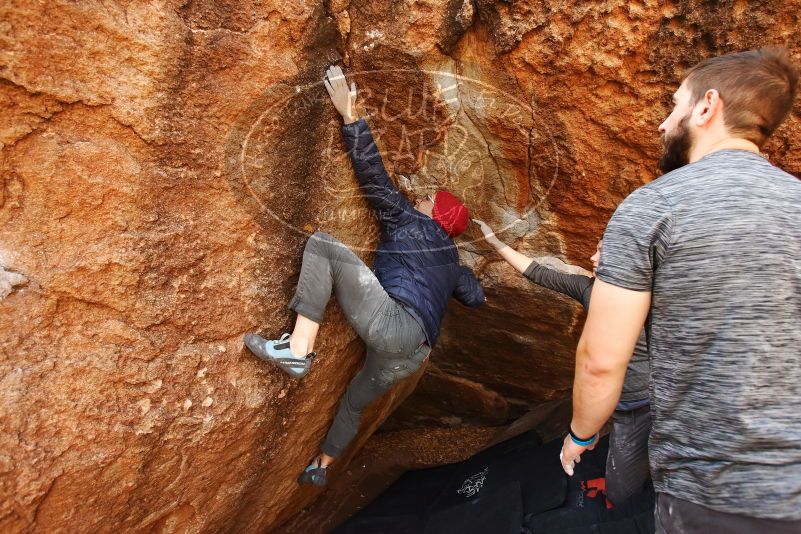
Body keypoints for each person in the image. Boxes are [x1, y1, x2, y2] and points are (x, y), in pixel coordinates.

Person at [558, 47, 801, 533]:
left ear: (707, 107)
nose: (663, 123)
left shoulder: (653, 208)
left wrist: (579, 435)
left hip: (713, 489)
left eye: (675, 105)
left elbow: (601, 361)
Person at [244, 65, 485, 487]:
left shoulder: (411, 222)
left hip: (395, 324)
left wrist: (350, 117)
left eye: (430, 199)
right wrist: (461, 274)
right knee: (354, 403)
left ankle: (298, 350)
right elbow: (477, 298)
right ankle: (322, 466)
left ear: (438, 215)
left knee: (321, 243)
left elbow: (375, 179)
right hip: (411, 356)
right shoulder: (455, 265)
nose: (421, 197)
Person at [473, 224, 650, 505]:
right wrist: (495, 242)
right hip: (623, 405)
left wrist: (580, 437)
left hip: (654, 404)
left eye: (601, 253)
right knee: (626, 481)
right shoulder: (589, 289)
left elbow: (600, 367)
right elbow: (539, 273)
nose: (592, 258)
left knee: (648, 483)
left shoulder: (649, 296)